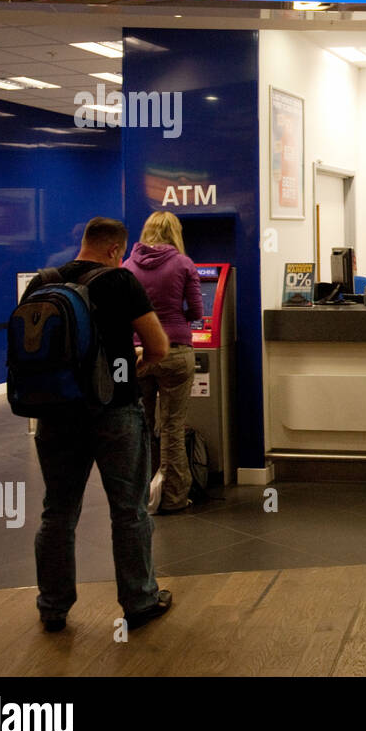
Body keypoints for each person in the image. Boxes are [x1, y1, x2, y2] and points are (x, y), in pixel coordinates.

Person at [25, 217, 173, 633]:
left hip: (55, 413)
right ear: (114, 250)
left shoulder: (42, 283)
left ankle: (53, 606)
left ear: (84, 241)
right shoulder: (120, 282)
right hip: (115, 411)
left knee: (57, 512)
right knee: (128, 511)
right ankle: (139, 601)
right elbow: (158, 346)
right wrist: (135, 369)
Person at [123, 211, 203, 514]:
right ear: (175, 233)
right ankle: (172, 497)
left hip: (139, 353)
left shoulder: (127, 266)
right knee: (172, 427)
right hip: (175, 351)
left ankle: (142, 496)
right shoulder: (183, 263)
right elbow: (196, 311)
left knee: (140, 427)